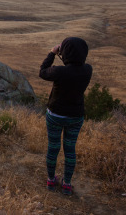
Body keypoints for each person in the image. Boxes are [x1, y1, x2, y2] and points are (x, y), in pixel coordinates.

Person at [39, 37, 92, 196]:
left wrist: (52, 53)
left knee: (53, 147)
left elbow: (42, 71)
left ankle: (50, 180)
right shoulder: (88, 69)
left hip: (55, 114)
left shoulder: (60, 72)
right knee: (70, 150)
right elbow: (74, 66)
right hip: (76, 117)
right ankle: (67, 184)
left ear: (65, 52)